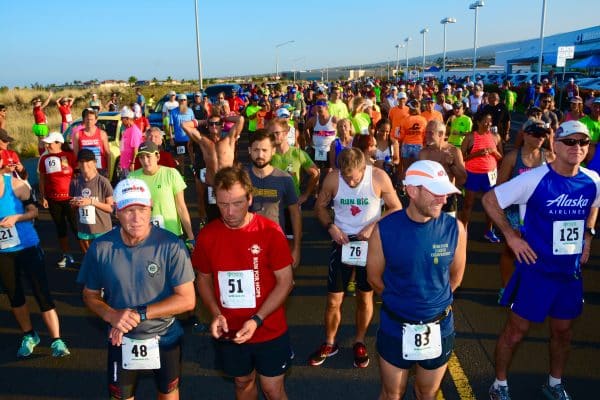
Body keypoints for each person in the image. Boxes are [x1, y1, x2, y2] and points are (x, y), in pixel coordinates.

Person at [482, 120, 600, 400]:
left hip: (569, 274)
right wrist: (511, 237)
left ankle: (554, 383)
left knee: (564, 332)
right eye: (570, 141)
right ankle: (499, 384)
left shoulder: (592, 180)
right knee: (516, 332)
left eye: (583, 142)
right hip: (536, 271)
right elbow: (490, 200)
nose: (577, 147)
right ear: (555, 145)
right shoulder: (534, 179)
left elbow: (594, 206)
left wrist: (588, 234)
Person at [77, 178, 196, 400]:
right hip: (121, 338)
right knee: (121, 396)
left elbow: (187, 300)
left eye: (142, 209)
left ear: (151, 207)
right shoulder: (100, 247)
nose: (137, 217)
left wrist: (138, 314)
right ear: (116, 212)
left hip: (165, 335)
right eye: (129, 210)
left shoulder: (171, 245)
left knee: (168, 393)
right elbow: (89, 295)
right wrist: (111, 314)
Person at [366, 160, 466, 400]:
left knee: (426, 393)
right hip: (396, 325)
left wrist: (429, 305)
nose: (444, 199)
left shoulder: (456, 229)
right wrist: (403, 304)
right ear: (412, 190)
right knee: (392, 394)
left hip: (439, 326)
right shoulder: (384, 230)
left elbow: (455, 278)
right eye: (436, 192)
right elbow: (374, 279)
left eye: (445, 192)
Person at [193, 166, 294, 400]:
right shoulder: (208, 236)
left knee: (272, 389)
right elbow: (203, 279)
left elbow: (285, 282)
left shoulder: (270, 232)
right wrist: (216, 313)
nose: (229, 212)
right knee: (242, 382)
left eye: (237, 203)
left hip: (268, 328)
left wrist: (257, 319)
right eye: (223, 204)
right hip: (231, 330)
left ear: (249, 198)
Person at [310, 148, 402, 368]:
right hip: (342, 241)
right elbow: (319, 207)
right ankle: (330, 342)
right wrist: (331, 227)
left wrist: (373, 226)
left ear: (364, 168)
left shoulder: (378, 177)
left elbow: (396, 207)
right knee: (334, 300)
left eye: (354, 178)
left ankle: (359, 341)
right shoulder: (333, 178)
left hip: (369, 244)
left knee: (364, 297)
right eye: (346, 177)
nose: (350, 182)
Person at [0, 158, 71, 358]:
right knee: (15, 296)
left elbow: (34, 212)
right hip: (3, 252)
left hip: (27, 246)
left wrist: (17, 218)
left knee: (41, 293)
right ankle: (29, 335)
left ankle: (57, 340)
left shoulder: (15, 185)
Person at [495, 120, 554, 300]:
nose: (540, 138)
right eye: (536, 134)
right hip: (515, 212)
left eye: (544, 135)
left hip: (540, 213)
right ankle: (506, 288)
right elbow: (499, 187)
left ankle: (531, 288)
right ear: (526, 134)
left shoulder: (550, 157)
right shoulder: (513, 157)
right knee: (511, 251)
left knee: (539, 252)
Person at [247, 130, 301, 268]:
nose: (260, 155)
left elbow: (295, 214)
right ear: (249, 151)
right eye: (256, 150)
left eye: (265, 150)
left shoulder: (285, 179)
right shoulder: (241, 178)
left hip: (277, 241)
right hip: (247, 242)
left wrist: (296, 248)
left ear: (273, 151)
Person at [129, 141, 195, 248]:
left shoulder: (171, 174)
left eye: (148, 156)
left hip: (171, 233)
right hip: (144, 236)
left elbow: (181, 207)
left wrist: (190, 235)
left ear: (157, 156)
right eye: (141, 157)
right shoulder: (132, 178)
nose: (145, 161)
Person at [460, 111, 503, 242]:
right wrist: (476, 154)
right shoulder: (470, 137)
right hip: (473, 174)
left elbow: (501, 157)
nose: (489, 124)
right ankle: (463, 231)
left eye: (490, 122)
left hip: (490, 175)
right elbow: (461, 158)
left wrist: (493, 151)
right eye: (486, 121)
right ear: (478, 122)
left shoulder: (495, 137)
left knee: (491, 204)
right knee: (468, 204)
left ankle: (489, 231)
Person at [37, 132, 78, 268]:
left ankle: (88, 255)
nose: (47, 146)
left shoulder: (70, 156)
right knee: (60, 228)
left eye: (50, 143)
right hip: (53, 199)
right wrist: (43, 196)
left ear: (59, 143)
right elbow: (42, 179)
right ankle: (66, 255)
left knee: (77, 227)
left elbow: (77, 175)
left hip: (70, 199)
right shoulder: (44, 158)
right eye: (46, 144)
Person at [69, 149, 114, 253]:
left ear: (94, 163)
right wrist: (74, 204)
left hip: (102, 229)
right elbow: (72, 207)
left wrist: (91, 202)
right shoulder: (75, 183)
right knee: (88, 258)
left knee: (104, 258)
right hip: (84, 229)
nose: (84, 164)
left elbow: (111, 208)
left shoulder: (103, 182)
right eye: (81, 161)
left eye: (88, 161)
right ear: (78, 164)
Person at [419, 120, 467, 218]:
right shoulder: (424, 153)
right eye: (426, 132)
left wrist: (451, 165)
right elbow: (419, 178)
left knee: (447, 227)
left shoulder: (454, 151)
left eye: (430, 133)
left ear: (441, 134)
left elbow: (463, 179)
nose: (426, 135)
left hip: (447, 199)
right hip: (429, 199)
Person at [268, 119, 319, 205]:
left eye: (277, 133)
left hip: (293, 203)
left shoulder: (297, 153)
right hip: (273, 203)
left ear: (286, 133)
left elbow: (315, 173)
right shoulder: (267, 154)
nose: (274, 136)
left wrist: (305, 195)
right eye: (271, 134)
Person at [72, 108, 111, 177]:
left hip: (100, 169)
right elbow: (76, 155)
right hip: (85, 170)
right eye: (87, 119)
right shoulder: (77, 135)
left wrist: (108, 171)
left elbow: (108, 154)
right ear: (84, 120)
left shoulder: (102, 134)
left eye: (91, 119)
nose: (89, 121)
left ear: (96, 120)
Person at [399, 100, 428, 177]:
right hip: (418, 145)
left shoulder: (404, 120)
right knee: (417, 168)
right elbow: (425, 135)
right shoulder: (423, 120)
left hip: (406, 145)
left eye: (409, 108)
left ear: (411, 109)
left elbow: (401, 136)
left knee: (406, 168)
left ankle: (404, 183)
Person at [170, 94, 195, 176]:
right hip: (179, 139)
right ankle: (182, 174)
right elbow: (171, 125)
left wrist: (194, 136)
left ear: (186, 101)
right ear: (178, 101)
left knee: (192, 156)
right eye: (181, 100)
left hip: (189, 138)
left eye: (184, 100)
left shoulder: (190, 111)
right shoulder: (173, 111)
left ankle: (195, 173)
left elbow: (194, 124)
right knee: (181, 158)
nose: (183, 101)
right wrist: (171, 138)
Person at [118, 107, 144, 181]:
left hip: (130, 166)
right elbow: (123, 147)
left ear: (128, 119)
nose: (121, 121)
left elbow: (135, 149)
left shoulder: (134, 131)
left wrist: (133, 163)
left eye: (122, 119)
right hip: (124, 165)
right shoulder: (127, 130)